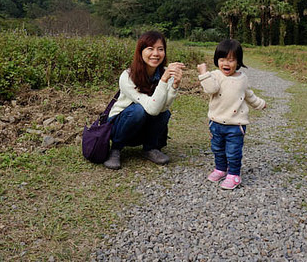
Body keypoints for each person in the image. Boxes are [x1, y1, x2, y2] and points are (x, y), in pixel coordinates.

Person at [104, 31, 185, 170]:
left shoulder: (165, 73)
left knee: (164, 113)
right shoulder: (128, 76)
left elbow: (163, 107)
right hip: (120, 124)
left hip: (142, 125)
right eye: (150, 49)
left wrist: (174, 86)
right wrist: (164, 80)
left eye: (160, 49)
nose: (156, 53)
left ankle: (150, 148)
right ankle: (116, 149)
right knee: (138, 110)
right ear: (140, 51)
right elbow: (151, 109)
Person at [196, 39, 266, 189]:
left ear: (238, 61)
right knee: (217, 149)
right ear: (217, 61)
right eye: (222, 59)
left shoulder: (242, 79)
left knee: (233, 151)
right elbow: (211, 89)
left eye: (231, 60)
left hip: (236, 125)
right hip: (215, 123)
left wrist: (260, 104)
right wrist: (203, 73)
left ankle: (234, 174)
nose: (226, 64)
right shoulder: (214, 76)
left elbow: (249, 96)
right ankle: (221, 169)